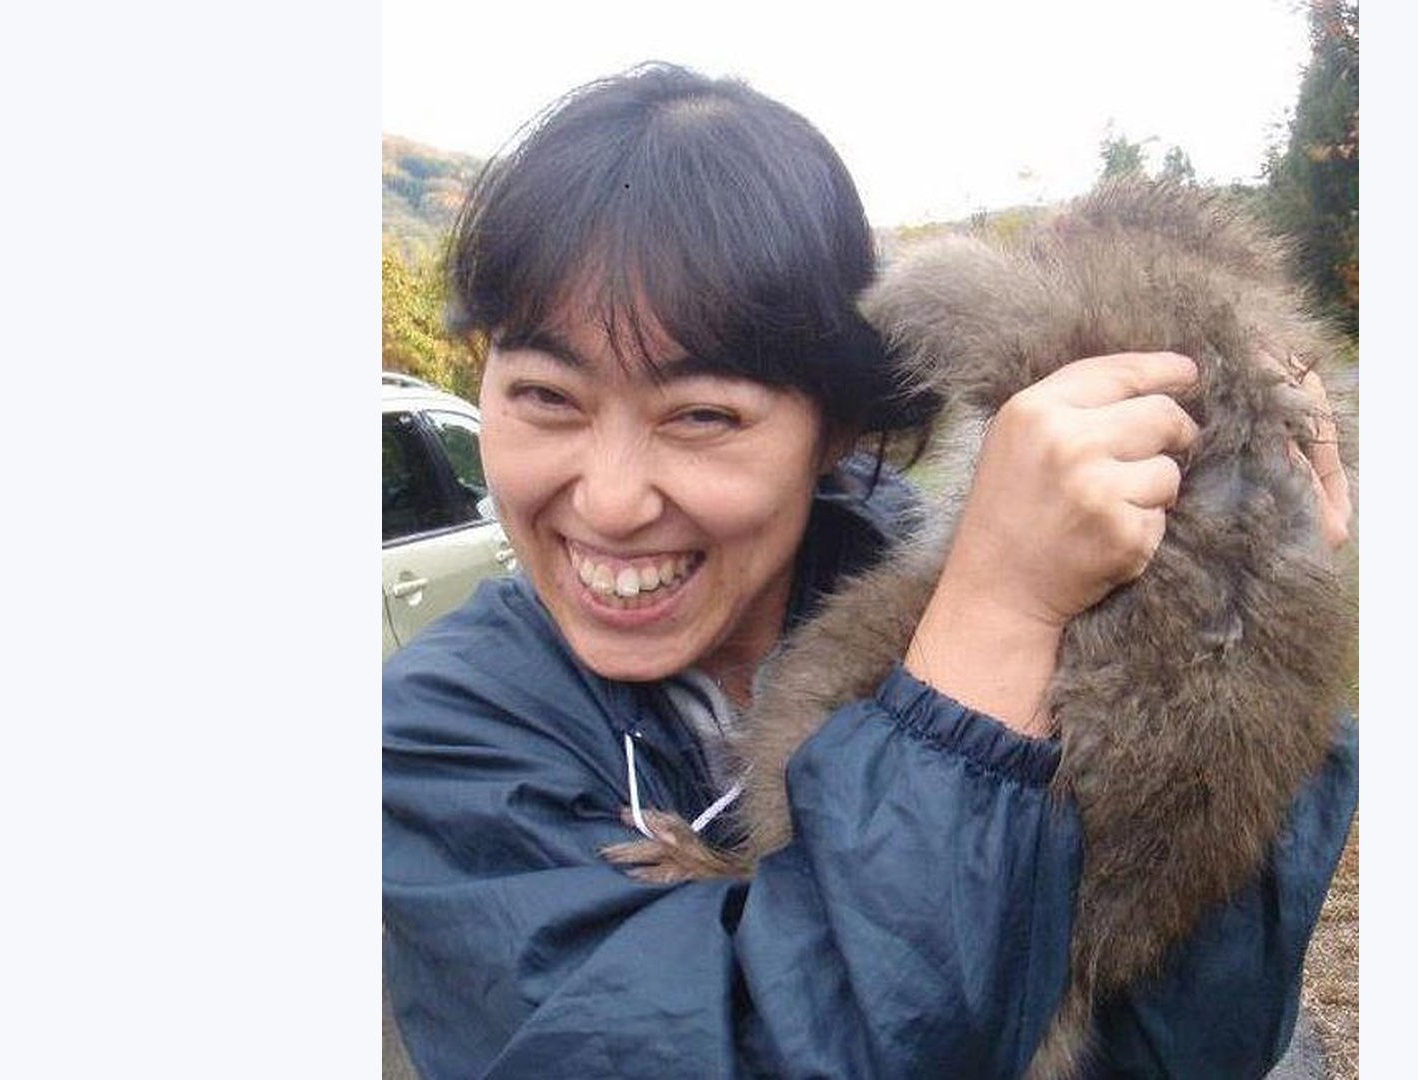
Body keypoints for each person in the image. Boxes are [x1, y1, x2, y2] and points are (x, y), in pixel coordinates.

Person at [383, 62, 1358, 1079]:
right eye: (546, 397)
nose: (612, 500)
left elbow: (1194, 1045)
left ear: (838, 429)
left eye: (702, 414)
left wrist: (1247, 636)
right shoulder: (446, 739)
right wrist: (987, 639)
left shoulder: (1027, 587)